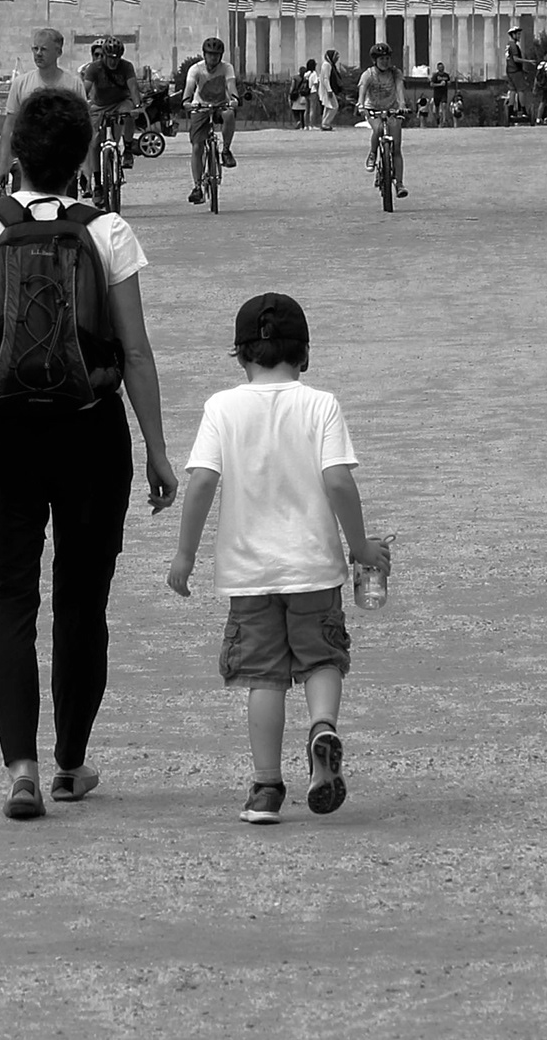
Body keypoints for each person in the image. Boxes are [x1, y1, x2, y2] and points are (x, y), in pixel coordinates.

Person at [0, 83, 178, 819]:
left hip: (0, 429)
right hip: (89, 429)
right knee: (82, 600)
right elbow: (135, 353)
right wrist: (157, 450)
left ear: (15, 153)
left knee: (7, 602)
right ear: (82, 158)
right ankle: (71, 760)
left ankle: (21, 767)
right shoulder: (107, 232)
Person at [166, 288, 388, 824]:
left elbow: (201, 483)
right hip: (313, 567)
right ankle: (322, 728)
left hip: (249, 574)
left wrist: (184, 555)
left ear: (240, 355)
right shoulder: (321, 405)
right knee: (322, 660)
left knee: (263, 678)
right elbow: (338, 481)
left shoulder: (221, 407)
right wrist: (361, 546)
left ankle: (265, 789)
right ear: (304, 354)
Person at [0, 25, 68, 194]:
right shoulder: (20, 84)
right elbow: (10, 125)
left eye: (44, 49)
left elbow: (82, 127)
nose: (38, 54)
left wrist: (86, 165)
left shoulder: (72, 84)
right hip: (26, 162)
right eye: (35, 49)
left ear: (58, 52)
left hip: (62, 163)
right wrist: (3, 162)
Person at [182, 36, 239, 202]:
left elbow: (231, 85)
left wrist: (234, 99)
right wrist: (186, 102)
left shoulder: (227, 68)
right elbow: (189, 87)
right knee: (197, 147)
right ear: (204, 54)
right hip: (200, 106)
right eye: (210, 54)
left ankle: (226, 150)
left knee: (229, 114)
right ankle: (197, 186)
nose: (213, 57)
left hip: (220, 105)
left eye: (216, 54)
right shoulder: (196, 69)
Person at [81, 35, 141, 186]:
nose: (113, 62)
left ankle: (128, 149)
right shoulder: (94, 68)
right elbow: (85, 89)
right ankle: (97, 184)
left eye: (116, 58)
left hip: (121, 101)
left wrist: (137, 106)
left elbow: (133, 87)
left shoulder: (126, 67)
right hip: (100, 105)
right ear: (104, 56)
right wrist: (79, 105)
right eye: (110, 58)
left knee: (128, 113)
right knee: (95, 143)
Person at [355, 50, 404, 193]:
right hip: (373, 110)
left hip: (392, 110)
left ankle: (399, 184)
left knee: (396, 148)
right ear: (375, 60)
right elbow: (362, 91)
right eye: (381, 59)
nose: (385, 62)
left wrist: (402, 105)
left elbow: (400, 89)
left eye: (387, 58)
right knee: (378, 129)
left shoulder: (395, 73)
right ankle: (372, 153)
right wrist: (361, 105)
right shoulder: (368, 74)